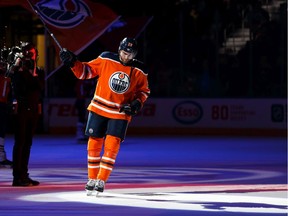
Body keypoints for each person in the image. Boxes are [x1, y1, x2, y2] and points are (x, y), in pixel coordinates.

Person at [60, 37, 150, 194]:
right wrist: (73, 62)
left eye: (130, 54)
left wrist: (137, 103)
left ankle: (101, 179)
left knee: (111, 147)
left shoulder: (140, 70)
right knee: (93, 145)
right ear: (118, 50)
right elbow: (85, 72)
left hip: (120, 113)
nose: (126, 57)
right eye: (124, 53)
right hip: (98, 108)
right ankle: (92, 178)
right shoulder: (106, 58)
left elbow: (143, 91)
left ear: (135, 54)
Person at [9, 42, 45, 186]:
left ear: (36, 55)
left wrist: (33, 71)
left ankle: (24, 173)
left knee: (28, 143)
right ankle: (17, 176)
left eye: (32, 53)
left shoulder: (39, 71)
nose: (29, 56)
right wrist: (20, 67)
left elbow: (40, 88)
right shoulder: (17, 70)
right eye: (27, 53)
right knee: (20, 142)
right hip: (22, 109)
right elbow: (17, 86)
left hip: (33, 110)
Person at [0, 56, 13, 168]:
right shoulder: (4, 79)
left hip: (2, 105)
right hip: (1, 104)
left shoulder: (6, 78)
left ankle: (1, 156)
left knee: (2, 131)